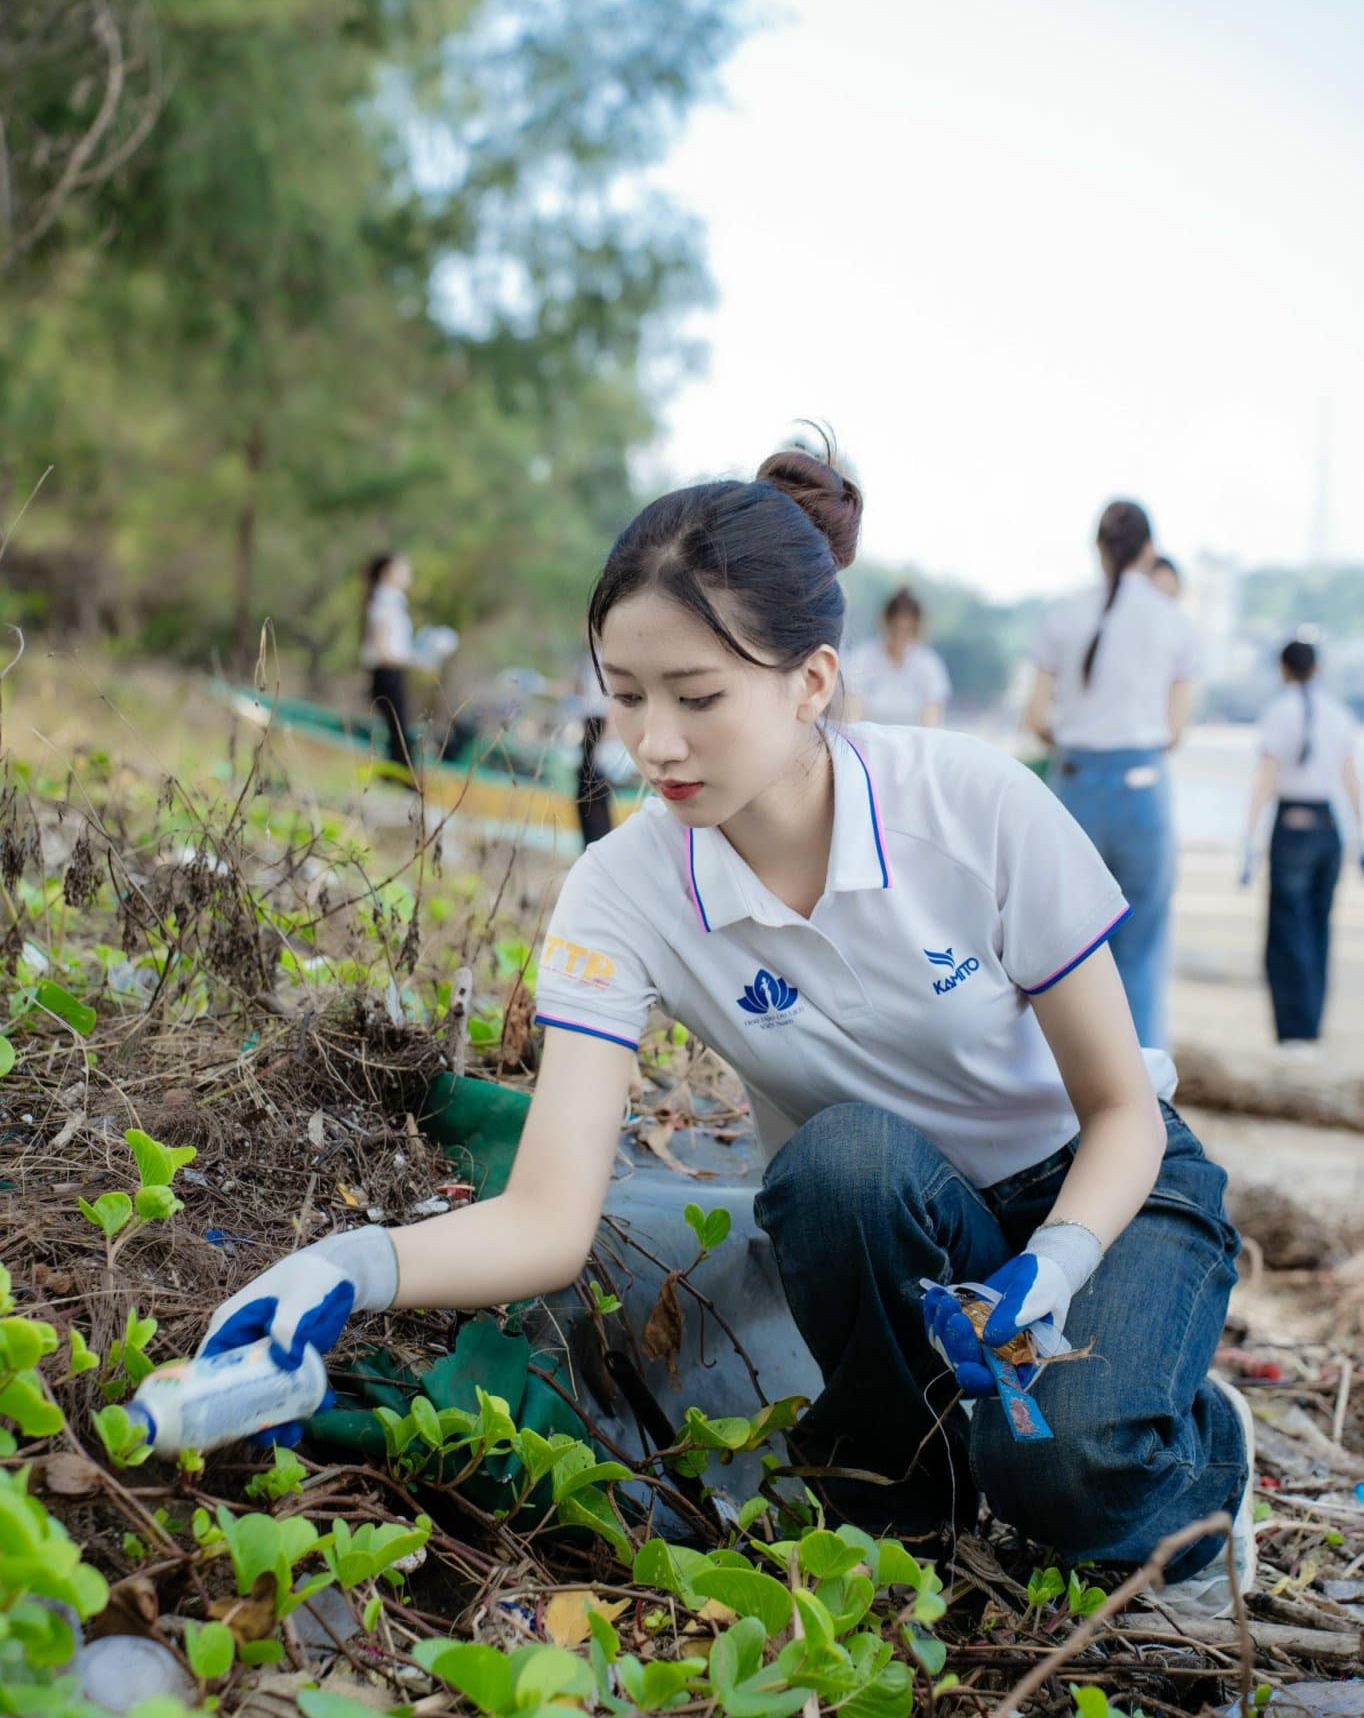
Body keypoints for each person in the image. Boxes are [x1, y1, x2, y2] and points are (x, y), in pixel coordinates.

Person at [201, 449, 1252, 1617]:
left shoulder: (972, 804)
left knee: (1066, 1470)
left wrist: (1053, 1260)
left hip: (1101, 1187)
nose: (654, 743)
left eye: (697, 697)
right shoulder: (621, 889)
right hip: (889, 1207)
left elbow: (1117, 1108)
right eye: (624, 692)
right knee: (840, 1157)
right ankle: (904, 1499)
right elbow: (549, 1216)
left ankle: (1197, 1437)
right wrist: (341, 1266)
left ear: (810, 681)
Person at [1023, 501, 1200, 1049]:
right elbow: (1175, 732)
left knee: (1062, 950)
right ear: (1149, 551)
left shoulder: (1062, 614)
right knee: (1141, 949)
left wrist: (1079, 739)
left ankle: (1061, 1082)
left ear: (1098, 549)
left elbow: (1035, 718)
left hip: (1075, 784)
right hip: (1142, 789)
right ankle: (1144, 1085)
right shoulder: (1175, 622)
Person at [1241, 639, 1361, 1055]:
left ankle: (1293, 1031)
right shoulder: (1338, 712)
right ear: (1318, 668)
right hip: (1329, 826)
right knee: (1318, 927)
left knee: (1287, 930)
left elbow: (1265, 778)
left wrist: (1250, 841)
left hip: (1292, 823)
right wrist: (1360, 836)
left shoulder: (1279, 711)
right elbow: (1351, 779)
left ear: (1283, 669)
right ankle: (1311, 1028)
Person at [844, 586, 950, 726]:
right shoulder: (862, 657)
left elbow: (932, 726)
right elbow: (852, 717)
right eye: (896, 629)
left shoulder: (929, 665)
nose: (901, 637)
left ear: (917, 630)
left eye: (908, 631)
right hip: (867, 744)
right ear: (885, 624)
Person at [361, 552, 417, 770]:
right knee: (398, 728)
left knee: (398, 727)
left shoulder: (393, 601)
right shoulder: (385, 601)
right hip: (387, 671)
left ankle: (397, 772)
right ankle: (399, 774)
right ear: (388, 573)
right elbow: (382, 647)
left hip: (393, 670)